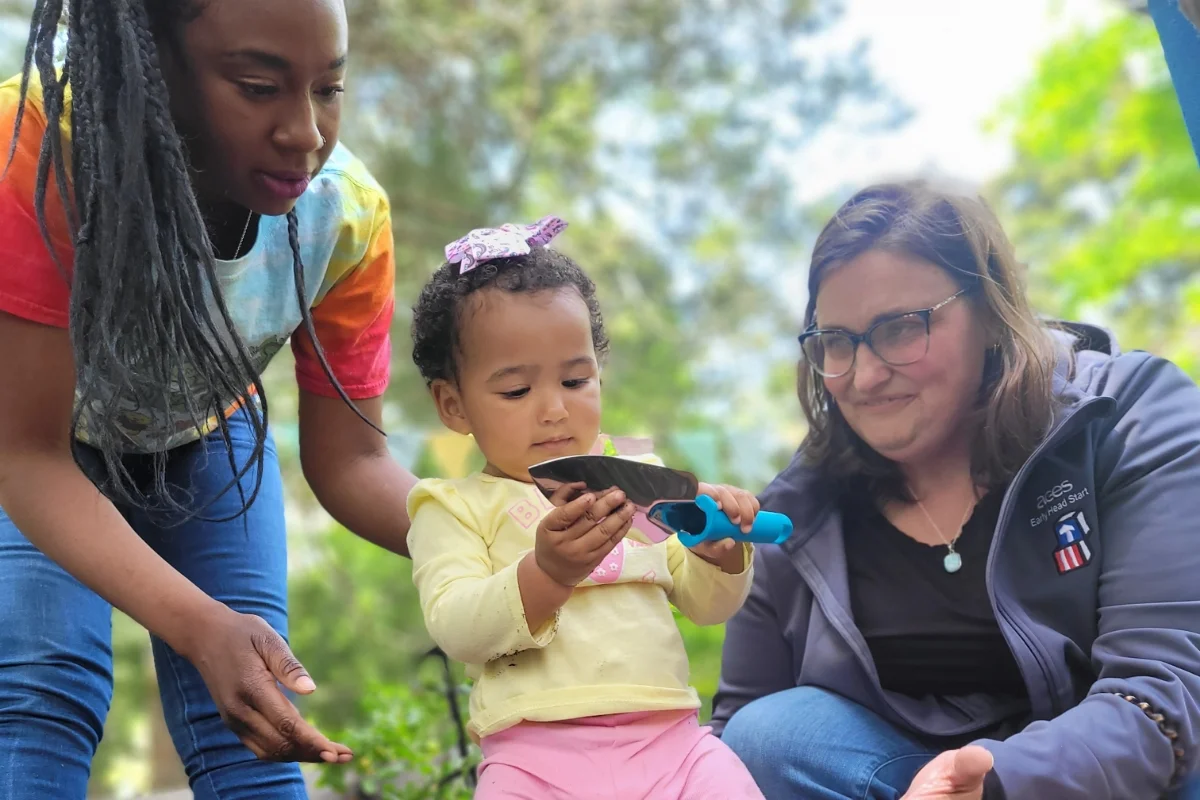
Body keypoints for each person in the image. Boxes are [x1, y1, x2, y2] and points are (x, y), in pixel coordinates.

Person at [0, 1, 418, 797]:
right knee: (45, 688)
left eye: (328, 88)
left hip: (205, 430)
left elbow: (354, 460)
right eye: (259, 87)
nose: (305, 133)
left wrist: (500, 535)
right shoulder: (41, 149)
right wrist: (198, 626)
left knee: (258, 716)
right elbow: (25, 456)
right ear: (153, 59)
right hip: (35, 438)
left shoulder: (346, 216)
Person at [709, 181, 1200, 800]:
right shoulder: (793, 513)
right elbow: (736, 748)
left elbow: (1164, 698)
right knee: (764, 736)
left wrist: (1000, 782)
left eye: (900, 329)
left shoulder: (1127, 416)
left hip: (1108, 779)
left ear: (991, 316)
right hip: (901, 782)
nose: (864, 375)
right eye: (835, 342)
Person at [404, 217, 766, 799]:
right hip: (534, 758)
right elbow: (457, 625)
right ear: (454, 405)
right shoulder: (452, 506)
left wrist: (718, 553)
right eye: (517, 391)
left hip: (671, 745)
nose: (554, 410)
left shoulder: (638, 479)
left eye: (576, 380)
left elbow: (705, 606)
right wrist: (546, 574)